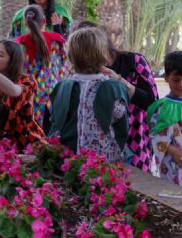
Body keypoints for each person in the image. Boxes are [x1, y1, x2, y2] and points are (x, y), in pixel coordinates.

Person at [76, 21, 158, 172]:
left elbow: (153, 104)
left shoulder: (135, 62)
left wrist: (120, 81)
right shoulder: (82, 72)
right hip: (100, 150)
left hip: (135, 141)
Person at [47, 27, 129, 163]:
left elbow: (54, 122)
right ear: (103, 54)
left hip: (66, 161)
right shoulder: (113, 88)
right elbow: (121, 124)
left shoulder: (61, 87)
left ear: (71, 56)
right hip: (102, 164)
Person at [15, 4, 68, 128]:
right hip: (52, 99)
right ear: (44, 21)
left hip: (27, 99)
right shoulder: (57, 40)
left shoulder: (19, 44)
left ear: (25, 22)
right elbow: (65, 64)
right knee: (51, 140)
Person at [147, 51, 182, 186]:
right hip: (170, 163)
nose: (181, 85)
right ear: (166, 77)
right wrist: (173, 151)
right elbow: (155, 134)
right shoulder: (160, 108)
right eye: (176, 80)